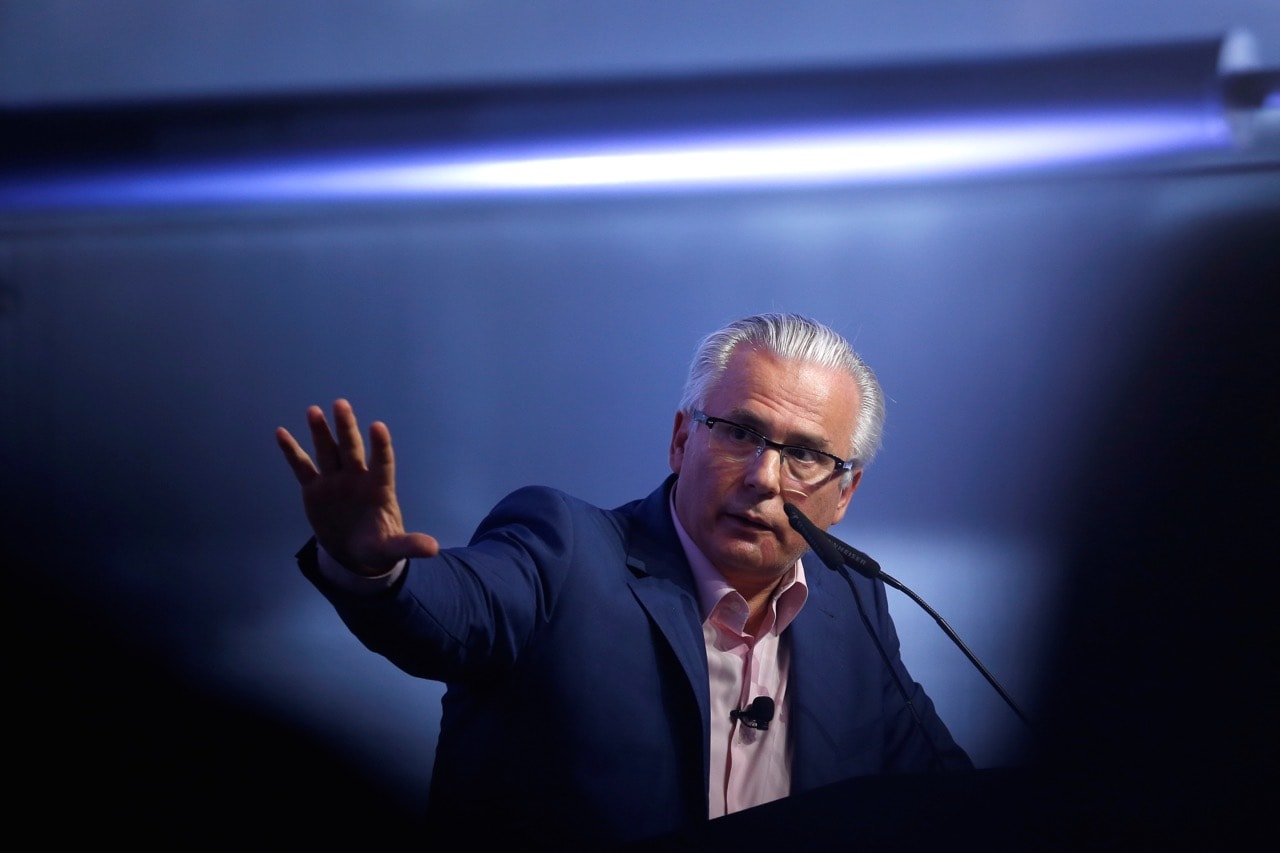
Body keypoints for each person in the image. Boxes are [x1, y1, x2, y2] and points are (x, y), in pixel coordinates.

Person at [277, 313, 970, 845]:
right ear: (681, 438)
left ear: (844, 494)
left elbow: (952, 799)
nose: (764, 478)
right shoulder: (565, 551)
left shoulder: (852, 602)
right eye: (738, 432)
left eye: (805, 455)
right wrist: (375, 566)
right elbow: (452, 610)